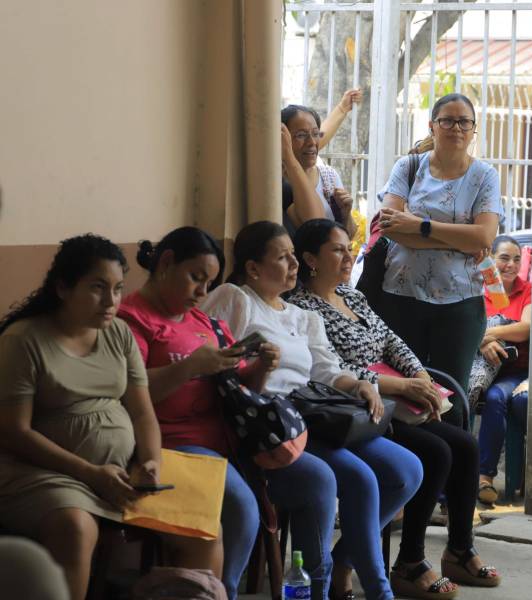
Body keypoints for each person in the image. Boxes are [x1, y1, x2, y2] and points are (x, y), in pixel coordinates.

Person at [202, 221, 423, 600]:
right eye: (282, 257)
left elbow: (327, 370)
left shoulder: (301, 316)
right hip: (265, 426)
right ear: (253, 268)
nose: (292, 264)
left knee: (407, 470)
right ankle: (342, 589)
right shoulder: (235, 299)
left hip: (312, 417)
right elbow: (210, 355)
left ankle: (346, 564)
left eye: (293, 255)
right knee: (353, 479)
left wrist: (361, 385)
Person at [118, 226, 337, 600]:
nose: (202, 293)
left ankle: (316, 590)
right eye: (196, 279)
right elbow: (128, 395)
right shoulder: (133, 319)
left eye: (209, 282)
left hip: (231, 439)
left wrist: (260, 367)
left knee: (318, 480)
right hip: (175, 443)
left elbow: (239, 386)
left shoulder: (200, 321)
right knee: (241, 508)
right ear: (166, 264)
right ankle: (225, 593)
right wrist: (189, 366)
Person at [0, 234, 221, 600]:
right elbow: (13, 432)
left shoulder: (118, 333)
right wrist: (90, 473)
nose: (111, 302)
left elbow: (142, 410)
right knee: (74, 528)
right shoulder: (24, 340)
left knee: (200, 521)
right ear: (63, 288)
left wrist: (150, 463)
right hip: (44, 473)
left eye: (118, 289)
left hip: (121, 472)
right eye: (98, 288)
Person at [290, 219, 500, 598]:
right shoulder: (303, 308)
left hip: (394, 401)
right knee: (435, 452)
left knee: (464, 445)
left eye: (349, 247)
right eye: (337, 249)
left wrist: (422, 380)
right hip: (355, 408)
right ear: (310, 259)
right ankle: (411, 560)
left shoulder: (352, 296)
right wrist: (405, 386)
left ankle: (459, 548)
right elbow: (330, 369)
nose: (348, 255)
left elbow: (391, 341)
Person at [376, 93, 504, 428]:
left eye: (464, 121)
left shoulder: (484, 176)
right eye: (447, 120)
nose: (456, 128)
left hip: (459, 303)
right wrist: (461, 236)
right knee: (405, 394)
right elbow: (390, 226)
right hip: (402, 297)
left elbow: (484, 237)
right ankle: (413, 473)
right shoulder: (409, 166)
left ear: (474, 129)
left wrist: (420, 226)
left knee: (452, 396)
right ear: (432, 125)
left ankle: (454, 473)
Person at [473, 235, 532, 505]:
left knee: (497, 398)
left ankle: (485, 477)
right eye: (504, 258)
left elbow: (525, 329)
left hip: (515, 370)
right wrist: (483, 342)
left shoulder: (528, 289)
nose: (511, 265)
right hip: (480, 367)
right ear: (491, 258)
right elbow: (463, 328)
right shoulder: (477, 288)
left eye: (517, 259)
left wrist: (484, 334)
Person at [281, 104, 357, 237]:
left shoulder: (328, 177)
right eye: (301, 135)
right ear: (283, 140)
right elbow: (315, 226)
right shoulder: (279, 182)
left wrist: (346, 216)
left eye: (316, 134)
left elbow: (348, 236)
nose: (311, 142)